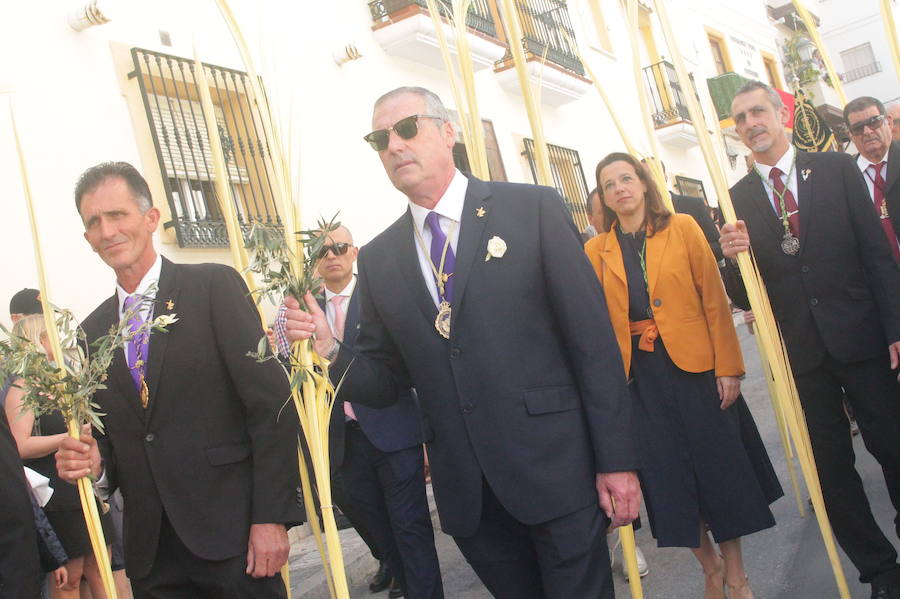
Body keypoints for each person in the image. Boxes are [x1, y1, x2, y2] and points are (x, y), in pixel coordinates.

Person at [284, 86, 640, 598]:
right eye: (380, 138)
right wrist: (331, 350)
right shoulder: (382, 257)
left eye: (408, 128)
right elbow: (386, 379)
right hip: (470, 496)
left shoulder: (530, 210)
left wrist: (618, 460)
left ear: (448, 132)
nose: (395, 145)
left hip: (557, 469)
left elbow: (592, 344)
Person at [54, 161, 301, 598]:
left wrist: (271, 517)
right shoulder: (91, 332)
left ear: (151, 218)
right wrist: (94, 465)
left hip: (234, 538)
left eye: (118, 215)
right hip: (154, 557)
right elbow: (116, 440)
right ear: (87, 238)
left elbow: (271, 407)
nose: (107, 231)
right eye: (94, 222)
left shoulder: (213, 287)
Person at [720, 80, 900, 599]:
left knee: (894, 445)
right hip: (800, 355)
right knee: (832, 472)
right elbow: (746, 295)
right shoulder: (736, 198)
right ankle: (881, 571)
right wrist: (732, 259)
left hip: (863, 337)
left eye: (758, 112)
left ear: (782, 115)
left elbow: (876, 255)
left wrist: (895, 328)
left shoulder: (837, 170)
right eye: (740, 118)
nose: (751, 123)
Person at [586, 152, 780, 599]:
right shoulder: (596, 250)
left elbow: (713, 299)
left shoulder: (683, 228)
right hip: (639, 380)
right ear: (603, 199)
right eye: (608, 184)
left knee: (719, 472)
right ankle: (709, 568)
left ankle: (736, 575)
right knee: (667, 478)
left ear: (643, 184)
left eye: (626, 178)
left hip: (697, 370)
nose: (619, 188)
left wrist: (728, 366)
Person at [277, 224, 443, 599]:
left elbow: (411, 362)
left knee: (410, 528)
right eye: (323, 251)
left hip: (392, 428)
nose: (332, 255)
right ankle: (401, 578)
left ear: (355, 252)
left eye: (340, 247)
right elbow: (290, 372)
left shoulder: (380, 294)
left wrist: (428, 433)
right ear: (314, 262)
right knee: (378, 531)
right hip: (339, 440)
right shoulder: (300, 308)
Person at [5, 314, 112, 599]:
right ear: (39, 340)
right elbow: (18, 444)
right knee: (70, 578)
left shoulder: (64, 381)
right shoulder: (23, 386)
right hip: (56, 493)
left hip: (83, 486)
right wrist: (66, 438)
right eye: (52, 334)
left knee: (102, 567)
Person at [843, 96, 899, 262]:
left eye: (874, 122)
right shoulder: (843, 177)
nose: (867, 131)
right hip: (880, 281)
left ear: (889, 122)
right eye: (858, 128)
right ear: (851, 134)